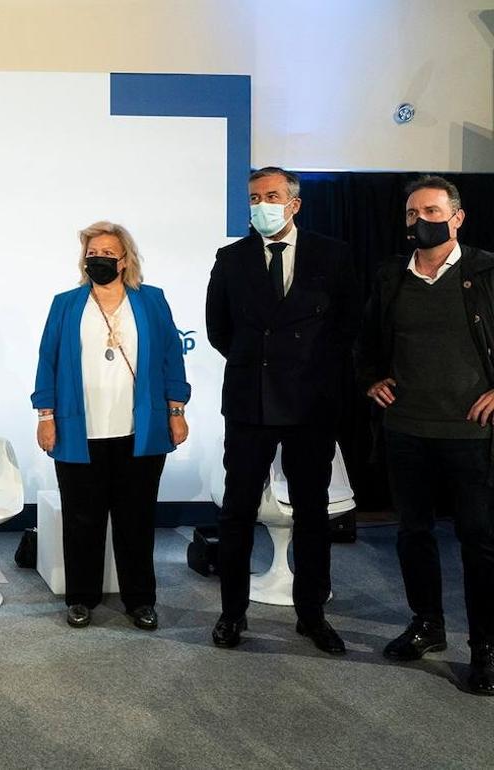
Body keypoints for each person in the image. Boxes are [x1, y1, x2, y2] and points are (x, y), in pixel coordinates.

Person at [205, 166, 360, 653]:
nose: (260, 205)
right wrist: (260, 365)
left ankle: (311, 614)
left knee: (312, 512)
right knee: (237, 511)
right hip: (250, 401)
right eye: (253, 197)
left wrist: (309, 371)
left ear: (293, 203)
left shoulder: (333, 254)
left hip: (311, 402)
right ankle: (233, 614)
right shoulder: (230, 258)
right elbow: (218, 330)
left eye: (270, 195)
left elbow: (348, 325)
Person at [357, 175, 494, 696]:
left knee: (480, 542)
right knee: (412, 533)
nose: (423, 221)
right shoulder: (392, 275)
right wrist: (371, 378)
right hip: (406, 429)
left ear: (457, 217)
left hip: (471, 434)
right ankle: (427, 625)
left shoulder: (486, 271)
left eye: (434, 211)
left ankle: (485, 646)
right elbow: (368, 340)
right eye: (414, 213)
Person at [32, 221, 190, 631]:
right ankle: (81, 598)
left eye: (107, 253)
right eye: (92, 253)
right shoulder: (65, 303)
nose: (98, 259)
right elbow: (47, 360)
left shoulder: (151, 301)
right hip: (77, 433)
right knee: (81, 520)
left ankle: (140, 600)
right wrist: (45, 416)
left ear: (125, 260)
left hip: (140, 433)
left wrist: (177, 411)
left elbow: (173, 356)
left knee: (135, 519)